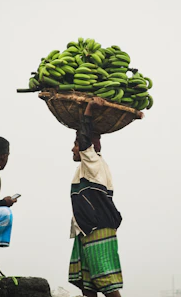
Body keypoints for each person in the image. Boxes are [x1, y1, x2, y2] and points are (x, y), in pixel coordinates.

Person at [68, 97, 125, 297]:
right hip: (86, 228)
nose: (73, 149)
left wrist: (89, 110)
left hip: (97, 227)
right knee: (88, 283)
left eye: (75, 145)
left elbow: (85, 141)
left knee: (104, 280)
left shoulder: (93, 162)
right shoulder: (88, 167)